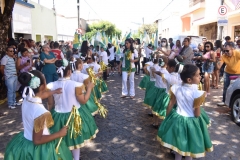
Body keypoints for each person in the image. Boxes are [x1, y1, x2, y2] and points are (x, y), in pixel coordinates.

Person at [4, 71, 73, 160]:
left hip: (25, 140)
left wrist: (54, 92)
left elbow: (41, 95)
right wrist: (59, 134)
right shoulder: (41, 112)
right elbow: (37, 140)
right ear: (43, 86)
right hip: (40, 149)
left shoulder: (26, 99)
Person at [157, 64, 213, 160]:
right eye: (197, 75)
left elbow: (170, 105)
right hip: (191, 123)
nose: (200, 76)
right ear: (189, 80)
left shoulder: (176, 88)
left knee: (178, 148)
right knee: (189, 149)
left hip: (177, 119)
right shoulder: (197, 93)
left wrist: (167, 117)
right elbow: (197, 114)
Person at [47, 60, 98, 160]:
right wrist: (89, 89)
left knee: (60, 140)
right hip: (74, 116)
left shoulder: (51, 85)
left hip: (57, 115)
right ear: (69, 72)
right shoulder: (76, 85)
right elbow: (83, 101)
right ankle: (76, 158)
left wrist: (49, 115)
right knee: (74, 139)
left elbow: (50, 103)